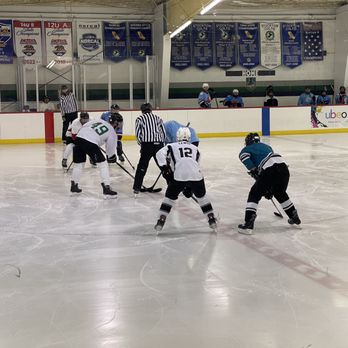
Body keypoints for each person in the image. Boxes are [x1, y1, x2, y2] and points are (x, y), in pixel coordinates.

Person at [154, 127, 217, 233]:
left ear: (177, 137)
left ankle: (161, 220)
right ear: (189, 137)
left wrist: (165, 167)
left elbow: (159, 154)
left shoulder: (171, 145)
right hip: (196, 175)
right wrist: (189, 187)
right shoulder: (195, 148)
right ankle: (211, 219)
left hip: (179, 175)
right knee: (202, 197)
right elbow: (194, 164)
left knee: (169, 198)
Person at [238, 132, 301, 235]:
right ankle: (294, 216)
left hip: (270, 169)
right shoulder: (267, 147)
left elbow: (244, 157)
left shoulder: (246, 149)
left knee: (254, 194)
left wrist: (253, 170)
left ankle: (248, 223)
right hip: (284, 168)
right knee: (280, 192)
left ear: (248, 142)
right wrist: (269, 188)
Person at [70, 114, 120, 197]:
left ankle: (74, 185)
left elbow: (84, 127)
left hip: (78, 139)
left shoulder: (98, 120)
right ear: (115, 123)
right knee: (103, 164)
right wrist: (111, 157)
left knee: (79, 164)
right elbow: (110, 149)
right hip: (90, 143)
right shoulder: (112, 131)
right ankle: (106, 187)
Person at [133, 103, 166, 196]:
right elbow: (163, 132)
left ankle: (137, 188)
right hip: (158, 145)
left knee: (142, 166)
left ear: (141, 110)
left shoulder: (140, 119)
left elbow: (138, 134)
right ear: (151, 109)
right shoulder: (158, 118)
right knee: (163, 166)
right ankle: (172, 184)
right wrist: (162, 144)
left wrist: (142, 145)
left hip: (147, 145)